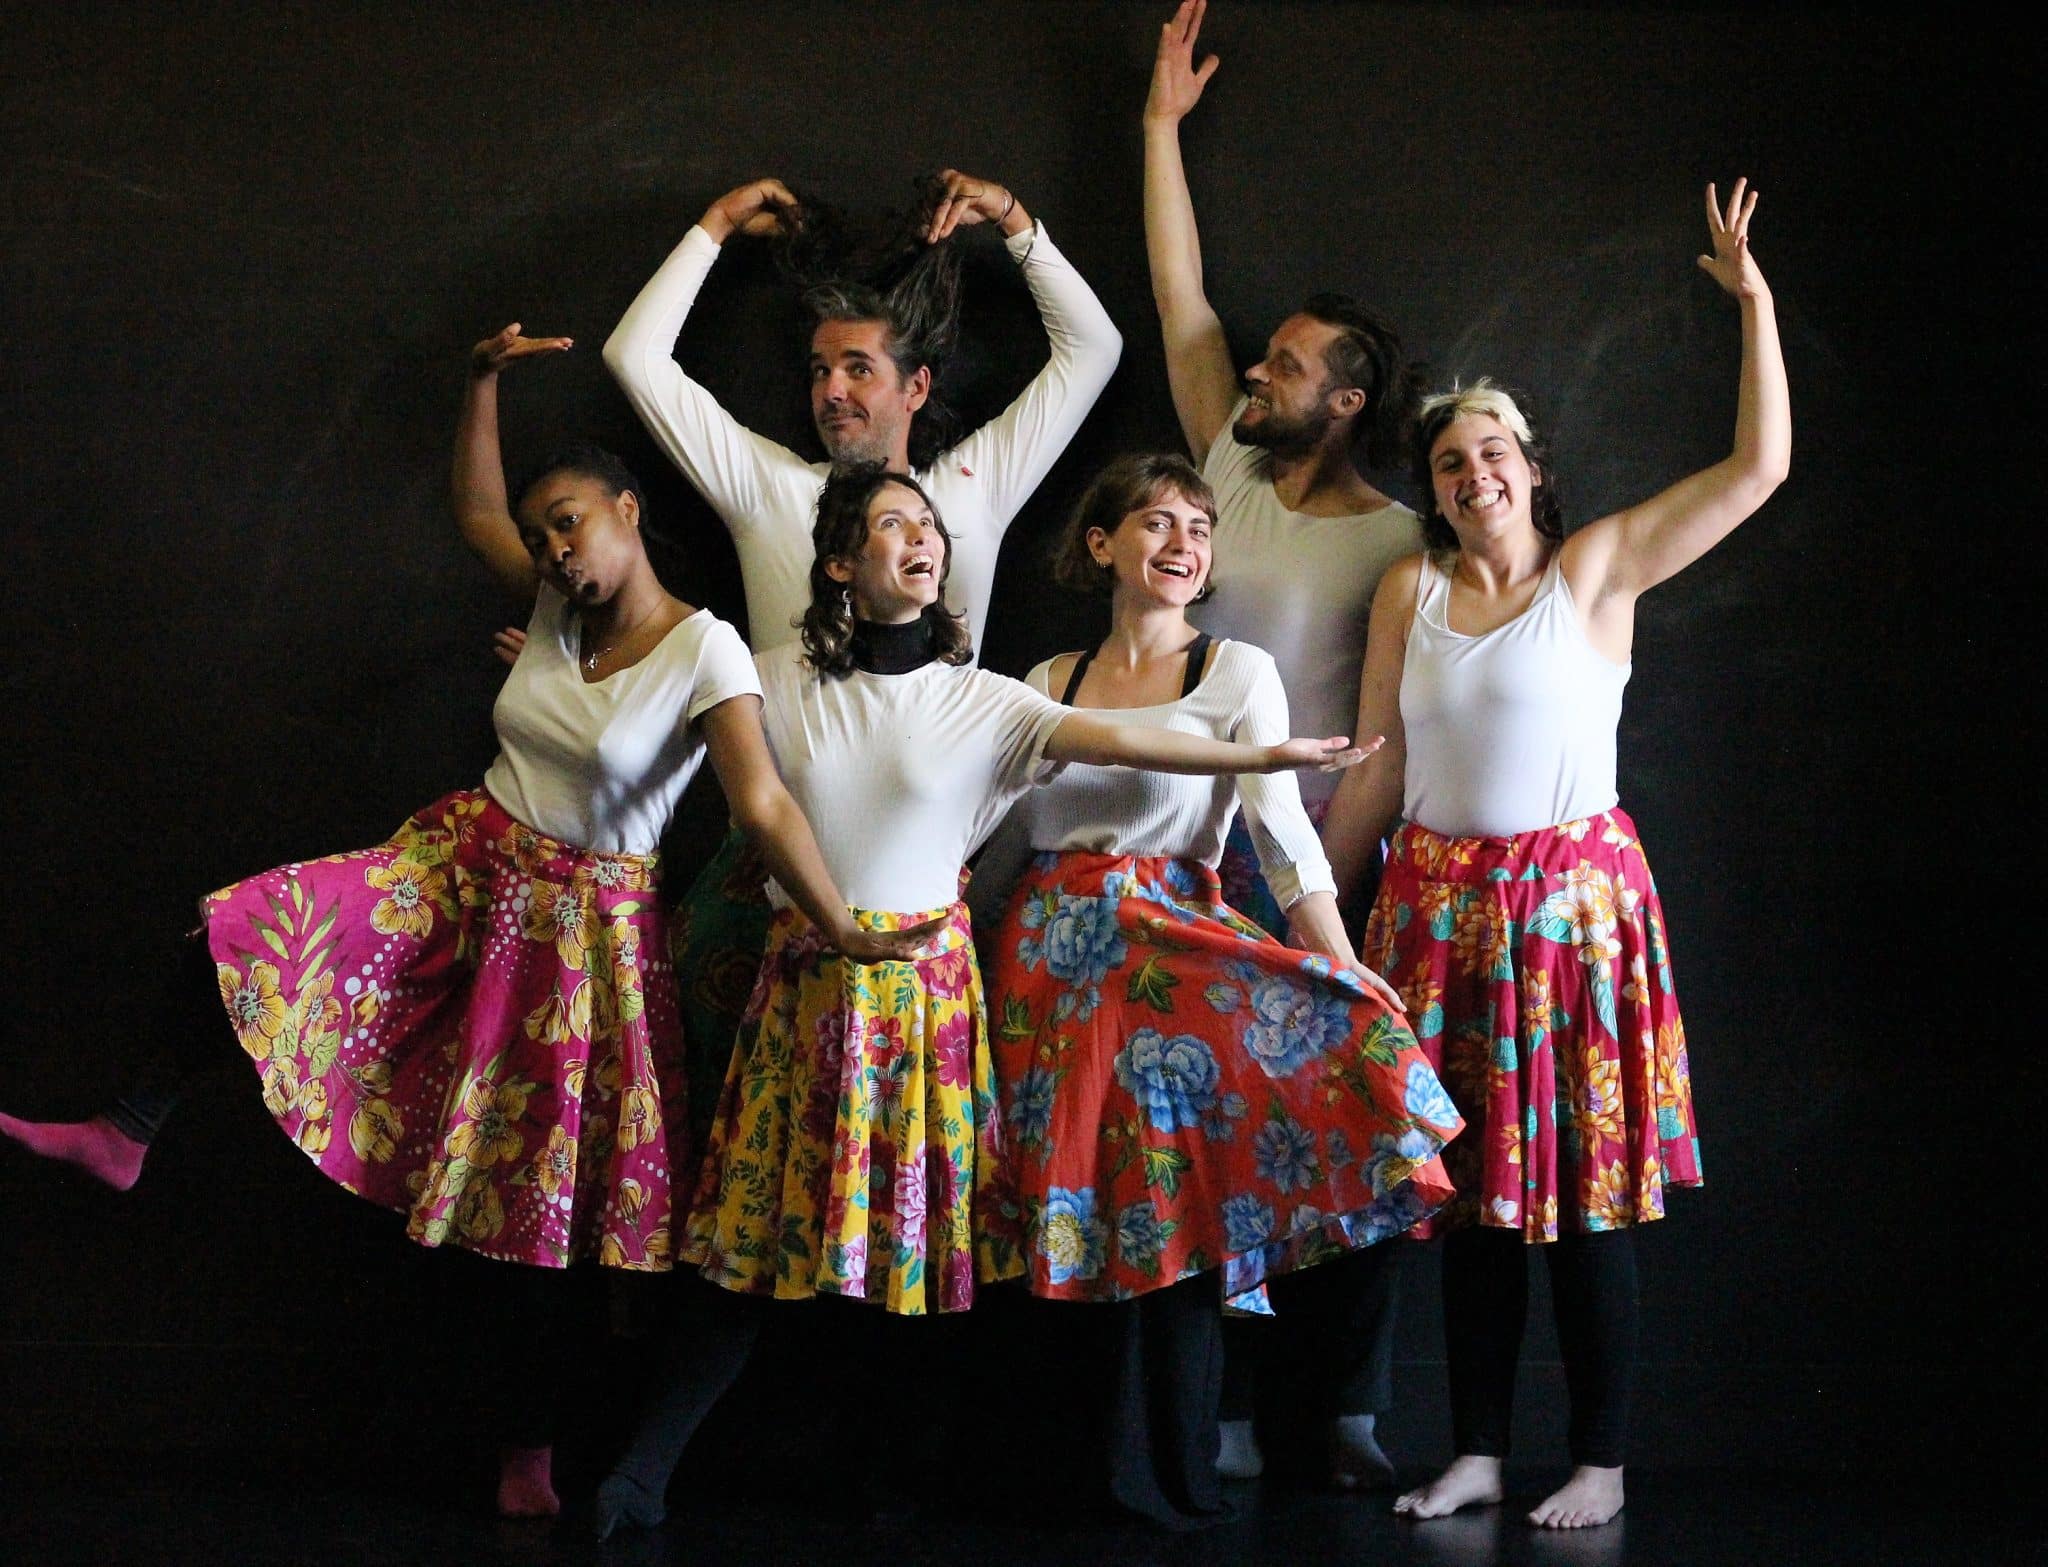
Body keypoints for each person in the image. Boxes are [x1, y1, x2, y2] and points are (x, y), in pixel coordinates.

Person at [0, 326, 929, 1517]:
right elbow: (474, 504)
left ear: (629, 513)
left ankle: (529, 1455)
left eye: (572, 521)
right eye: (542, 530)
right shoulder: (551, 604)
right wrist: (482, 381)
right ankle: (128, 1127)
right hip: (467, 862)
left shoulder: (704, 648)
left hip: (584, 943)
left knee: (533, 1208)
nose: (552, 546)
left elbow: (758, 803)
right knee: (244, 930)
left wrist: (843, 926)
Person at [590, 463, 1374, 1539]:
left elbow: (1124, 742)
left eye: (930, 524)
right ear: (838, 561)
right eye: (893, 523)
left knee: (919, 1254)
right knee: (747, 1246)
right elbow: (662, 733)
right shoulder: (764, 673)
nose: (923, 537)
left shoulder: (988, 696)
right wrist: (566, 661)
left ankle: (895, 1483)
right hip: (808, 992)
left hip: (925, 1002)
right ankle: (643, 1470)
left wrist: (1258, 755)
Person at [1320, 180, 1789, 1529]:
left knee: (1585, 1205)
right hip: (1438, 921)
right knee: (1469, 1211)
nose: (1474, 476)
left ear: (1530, 462)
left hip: (1573, 922)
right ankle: (1472, 1444)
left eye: (1493, 453)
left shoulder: (1595, 572)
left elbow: (1759, 472)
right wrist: (1325, 925)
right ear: (1439, 489)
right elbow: (1381, 765)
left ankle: (1598, 1454)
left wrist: (1751, 303)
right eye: (1451, 464)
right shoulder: (1409, 590)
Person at [978, 453, 1464, 1526]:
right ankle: (1052, 1483)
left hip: (1167, 967)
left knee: (1161, 1213)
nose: (1181, 544)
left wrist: (1339, 963)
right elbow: (1001, 842)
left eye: (1197, 528)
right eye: (1154, 522)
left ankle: (1160, 1477)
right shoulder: (1037, 683)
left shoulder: (1236, 672)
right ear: (1101, 545)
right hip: (1044, 972)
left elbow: (1283, 841)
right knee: (1055, 1214)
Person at [602, 170, 1124, 1139]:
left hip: (925, 868)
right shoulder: (770, 489)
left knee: (905, 1136)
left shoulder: (972, 488)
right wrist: (713, 225)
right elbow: (634, 357)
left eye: (854, 369)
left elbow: (1093, 349)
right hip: (770, 859)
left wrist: (1012, 220)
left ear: (915, 387)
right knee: (729, 1119)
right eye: (815, 371)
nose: (829, 391)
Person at [1141, 0, 1428, 1486]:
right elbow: (1181, 300)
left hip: (1324, 865)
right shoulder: (1224, 478)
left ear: (1349, 399)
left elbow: (1385, 728)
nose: (1256, 371)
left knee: (1360, 1127)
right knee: (1219, 1136)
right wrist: (1158, 130)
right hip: (1195, 859)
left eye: (1288, 365)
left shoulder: (1399, 532)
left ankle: (1351, 1408)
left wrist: (1333, 885)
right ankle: (1235, 1408)